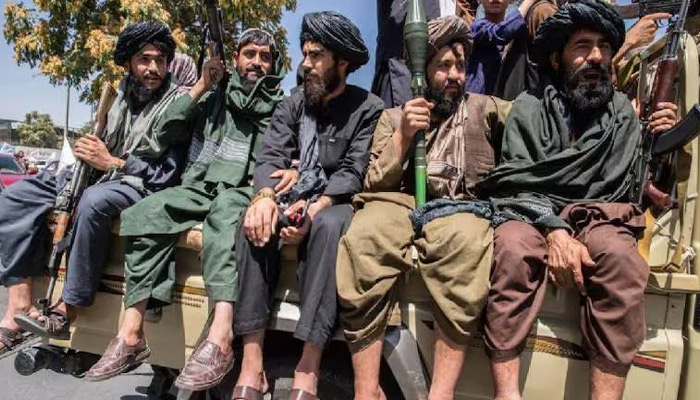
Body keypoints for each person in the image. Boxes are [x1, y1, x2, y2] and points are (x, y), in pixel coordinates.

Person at [476, 1, 679, 399]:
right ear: (558, 58)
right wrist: (555, 231)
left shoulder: (622, 114)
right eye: (583, 47)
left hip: (600, 214)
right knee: (513, 249)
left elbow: (635, 188)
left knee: (621, 261)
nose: (596, 57)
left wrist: (659, 140)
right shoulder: (528, 108)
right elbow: (515, 182)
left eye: (603, 47)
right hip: (532, 212)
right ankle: (506, 393)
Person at [84, 29, 289, 390]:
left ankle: (220, 338)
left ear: (274, 65)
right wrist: (203, 85)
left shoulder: (281, 105)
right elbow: (164, 133)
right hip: (199, 187)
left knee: (225, 217)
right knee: (146, 212)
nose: (256, 62)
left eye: (265, 56)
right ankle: (131, 335)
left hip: (244, 190)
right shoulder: (213, 96)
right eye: (249, 53)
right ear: (236, 58)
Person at [337, 15, 512, 400]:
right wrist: (404, 135)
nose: (454, 75)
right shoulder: (392, 117)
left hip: (461, 207)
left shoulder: (484, 109)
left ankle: (440, 394)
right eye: (443, 66)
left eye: (460, 66)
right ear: (423, 70)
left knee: (466, 242)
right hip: (399, 202)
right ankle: (366, 390)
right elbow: (374, 181)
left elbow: (530, 118)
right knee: (365, 236)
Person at [0, 22, 184, 356]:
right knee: (15, 197)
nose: (154, 68)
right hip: (96, 174)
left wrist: (112, 161)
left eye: (160, 60)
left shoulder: (178, 105)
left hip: (140, 184)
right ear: (128, 62)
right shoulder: (119, 98)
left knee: (94, 201)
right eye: (145, 59)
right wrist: (89, 150)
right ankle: (18, 307)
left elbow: (167, 175)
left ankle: (68, 307)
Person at [232, 11, 384, 400]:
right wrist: (265, 197)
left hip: (336, 200)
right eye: (305, 55)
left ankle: (309, 364)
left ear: (342, 63)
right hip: (293, 195)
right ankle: (252, 362)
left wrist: (314, 209)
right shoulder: (294, 103)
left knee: (330, 226)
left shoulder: (368, 107)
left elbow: (354, 169)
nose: (306, 65)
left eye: (316, 56)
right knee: (252, 221)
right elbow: (271, 156)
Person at [466, 0, 540, 94]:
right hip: (479, 99)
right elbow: (500, 33)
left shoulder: (520, 33)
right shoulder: (477, 28)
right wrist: (528, 2)